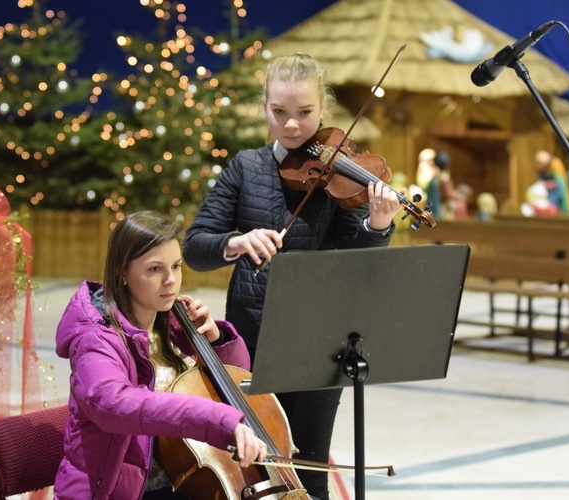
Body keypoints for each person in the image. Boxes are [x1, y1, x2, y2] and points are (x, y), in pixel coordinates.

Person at [182, 53, 401, 500]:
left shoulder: (341, 174)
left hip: (321, 339)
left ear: (322, 109)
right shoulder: (246, 167)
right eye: (279, 112)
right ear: (265, 106)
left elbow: (356, 265)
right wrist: (237, 242)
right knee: (255, 467)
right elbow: (195, 247)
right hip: (251, 338)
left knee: (311, 467)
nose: (292, 125)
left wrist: (377, 227)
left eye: (304, 113)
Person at [54, 211, 268, 500]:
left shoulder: (172, 321)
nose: (171, 280)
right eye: (155, 269)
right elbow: (116, 405)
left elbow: (235, 385)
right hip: (112, 491)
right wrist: (219, 421)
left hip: (181, 482)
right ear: (122, 273)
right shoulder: (95, 338)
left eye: (176, 266)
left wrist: (216, 341)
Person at [415, 148, 443, 220]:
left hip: (435, 201)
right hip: (427, 203)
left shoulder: (434, 170)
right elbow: (423, 184)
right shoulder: (424, 169)